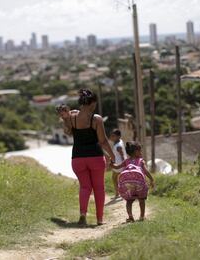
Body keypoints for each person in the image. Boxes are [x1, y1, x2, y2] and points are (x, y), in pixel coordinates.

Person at [57, 89, 116, 226]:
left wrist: (65, 118)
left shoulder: (72, 117)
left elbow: (68, 132)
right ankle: (100, 219)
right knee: (99, 188)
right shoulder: (96, 119)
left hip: (77, 158)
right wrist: (112, 156)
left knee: (85, 187)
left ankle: (82, 214)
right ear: (92, 103)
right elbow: (103, 141)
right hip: (95, 157)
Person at [110, 141, 154, 222]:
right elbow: (146, 171)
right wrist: (151, 179)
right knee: (141, 200)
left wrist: (112, 164)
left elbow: (117, 167)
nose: (141, 152)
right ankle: (141, 216)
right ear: (135, 151)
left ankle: (130, 217)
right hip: (139, 184)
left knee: (129, 200)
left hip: (128, 184)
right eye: (140, 150)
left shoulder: (126, 161)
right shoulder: (141, 161)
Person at [109, 129, 127, 198]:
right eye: (111, 136)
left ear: (118, 136)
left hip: (119, 164)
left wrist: (124, 164)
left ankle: (118, 193)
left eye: (114, 136)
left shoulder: (118, 146)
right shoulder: (119, 141)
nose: (112, 137)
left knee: (114, 178)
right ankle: (119, 193)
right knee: (118, 178)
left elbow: (122, 155)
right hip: (119, 163)